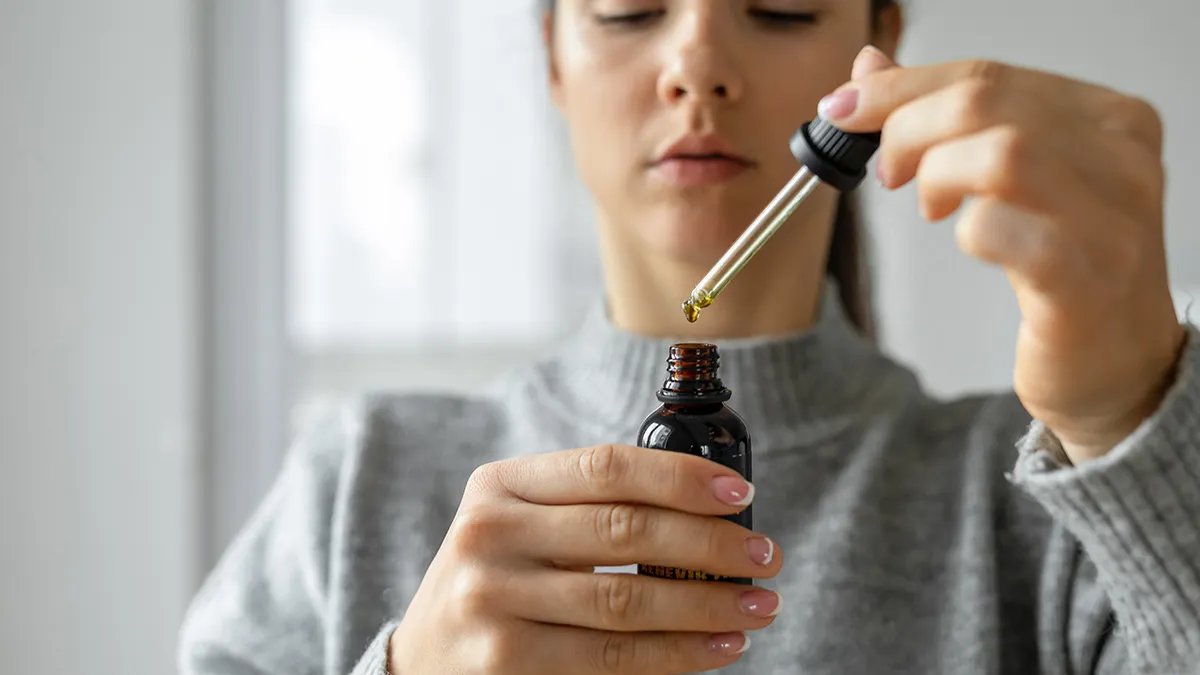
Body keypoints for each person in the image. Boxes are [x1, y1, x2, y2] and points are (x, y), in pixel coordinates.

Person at [179, 1, 1200, 673]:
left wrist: (1135, 417)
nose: (699, 67)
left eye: (779, 5)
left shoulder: (1049, 508)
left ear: (878, 42)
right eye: (629, 8)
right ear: (552, 57)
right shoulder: (359, 479)